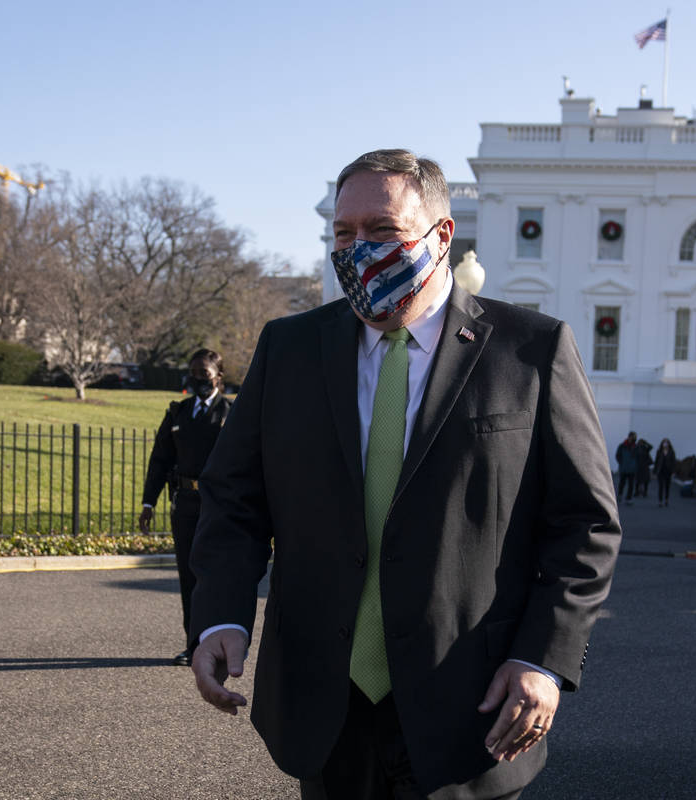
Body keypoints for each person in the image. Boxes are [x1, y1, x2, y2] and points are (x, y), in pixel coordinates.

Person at [187, 149, 621, 800]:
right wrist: (220, 615)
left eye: (381, 231)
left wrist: (544, 661)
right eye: (343, 233)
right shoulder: (289, 349)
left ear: (442, 236)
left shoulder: (530, 350)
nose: (357, 249)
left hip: (472, 711)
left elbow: (585, 524)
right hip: (323, 710)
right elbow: (233, 499)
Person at [139, 348, 232, 666]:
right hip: (185, 505)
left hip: (219, 507)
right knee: (188, 575)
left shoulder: (231, 413)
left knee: (216, 576)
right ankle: (194, 645)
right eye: (193, 374)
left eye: (203, 374)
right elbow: (160, 460)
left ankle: (216, 644)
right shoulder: (178, 413)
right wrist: (149, 501)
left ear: (218, 376)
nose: (197, 380)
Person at [614, 431, 638, 504]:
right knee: (622, 483)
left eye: (635, 437)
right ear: (629, 437)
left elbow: (638, 457)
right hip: (624, 468)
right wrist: (621, 463)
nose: (634, 438)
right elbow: (618, 455)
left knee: (631, 484)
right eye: (633, 436)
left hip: (632, 469)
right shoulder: (622, 446)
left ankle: (628, 498)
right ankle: (620, 495)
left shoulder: (636, 447)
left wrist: (635, 465)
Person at [654, 438, 677, 507]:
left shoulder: (671, 452)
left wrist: (673, 471)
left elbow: (674, 462)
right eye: (664, 442)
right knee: (661, 486)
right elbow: (656, 461)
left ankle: (666, 499)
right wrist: (655, 471)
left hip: (668, 471)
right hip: (660, 471)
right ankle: (660, 501)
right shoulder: (659, 451)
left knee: (667, 486)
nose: (665, 444)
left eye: (667, 443)